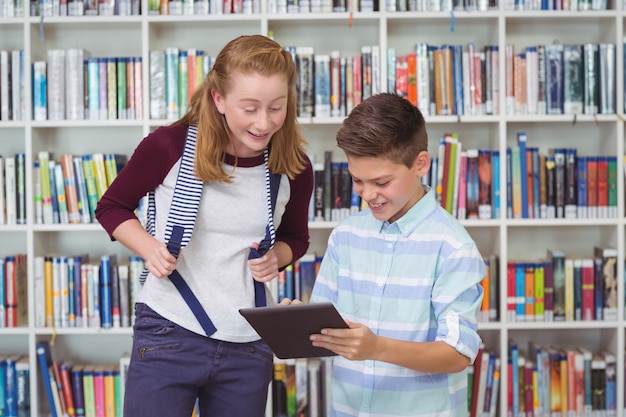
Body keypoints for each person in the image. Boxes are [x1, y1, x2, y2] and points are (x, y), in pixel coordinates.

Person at [95, 34, 313, 417]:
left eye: (276, 107)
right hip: (168, 331)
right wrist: (149, 248)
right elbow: (112, 207)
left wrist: (277, 257)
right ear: (219, 99)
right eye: (250, 108)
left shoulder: (294, 166)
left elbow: (297, 238)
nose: (264, 122)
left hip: (249, 341)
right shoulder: (170, 146)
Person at [308, 92, 485, 417]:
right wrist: (298, 323)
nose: (368, 194)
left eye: (381, 182)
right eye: (357, 181)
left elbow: (459, 353)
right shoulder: (345, 236)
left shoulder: (452, 247)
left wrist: (378, 348)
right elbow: (326, 326)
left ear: (420, 164)